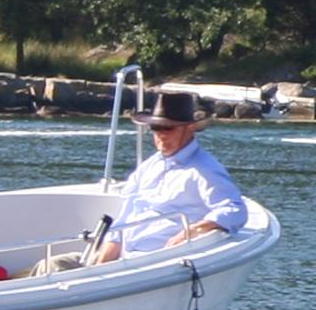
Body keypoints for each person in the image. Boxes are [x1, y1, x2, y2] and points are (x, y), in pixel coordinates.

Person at [100, 92, 252, 258]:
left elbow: (235, 210)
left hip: (156, 262)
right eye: (155, 128)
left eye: (169, 128)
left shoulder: (203, 169)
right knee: (67, 265)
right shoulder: (147, 167)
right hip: (123, 259)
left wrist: (193, 230)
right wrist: (100, 262)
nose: (161, 135)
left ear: (190, 128)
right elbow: (125, 217)